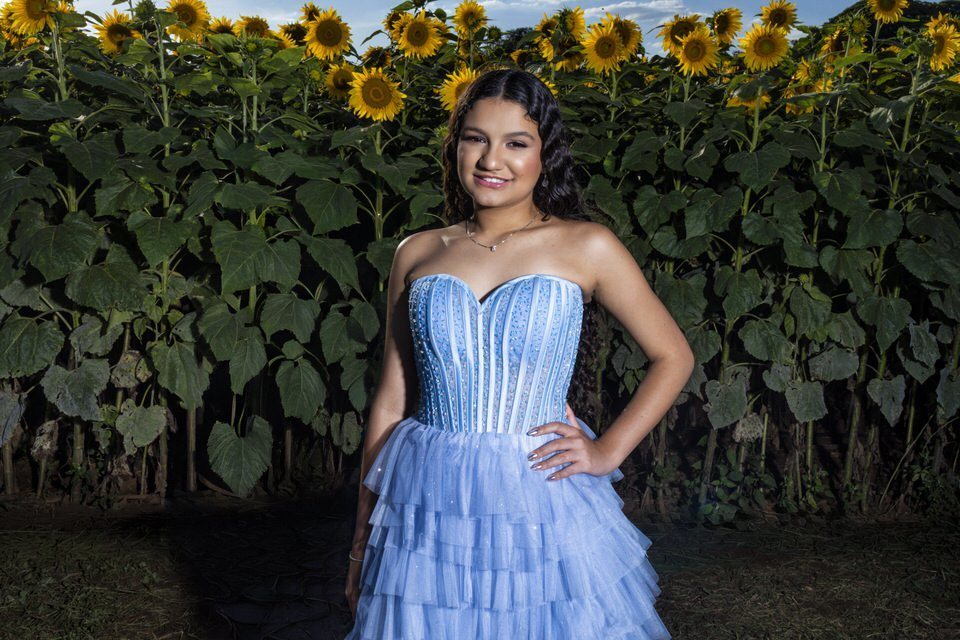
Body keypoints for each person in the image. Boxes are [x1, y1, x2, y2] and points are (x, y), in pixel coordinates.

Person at [344, 68, 693, 639]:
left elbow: (673, 355)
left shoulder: (587, 245)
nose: (491, 160)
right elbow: (391, 398)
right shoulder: (417, 252)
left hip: (538, 494)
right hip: (428, 498)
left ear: (545, 154)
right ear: (456, 145)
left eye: (516, 143)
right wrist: (362, 538)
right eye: (476, 138)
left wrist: (606, 452)